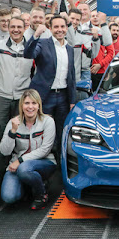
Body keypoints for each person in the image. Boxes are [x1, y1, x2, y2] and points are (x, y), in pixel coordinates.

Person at [24, 16, 76, 151]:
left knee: (61, 131)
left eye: (62, 27)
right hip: (44, 96)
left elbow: (72, 75)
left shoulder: (69, 49)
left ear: (66, 28)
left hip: (63, 97)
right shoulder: (42, 43)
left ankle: (59, 163)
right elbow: (28, 54)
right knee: (41, 130)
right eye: (56, 27)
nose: (60, 30)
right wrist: (35, 35)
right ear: (50, 28)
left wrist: (72, 100)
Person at [0, 90, 57, 209]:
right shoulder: (13, 122)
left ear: (39, 105)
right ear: (21, 106)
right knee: (9, 197)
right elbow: (4, 151)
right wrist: (13, 132)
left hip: (44, 162)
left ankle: (41, 194)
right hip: (17, 166)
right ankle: (28, 186)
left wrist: (20, 161)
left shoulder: (48, 121)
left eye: (34, 103)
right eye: (26, 103)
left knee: (24, 169)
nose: (30, 107)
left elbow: (45, 149)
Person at [0, 17, 32, 122]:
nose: (16, 30)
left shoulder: (31, 48)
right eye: (12, 27)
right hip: (0, 95)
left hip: (22, 97)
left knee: (19, 129)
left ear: (25, 29)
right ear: (8, 29)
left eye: (19, 27)